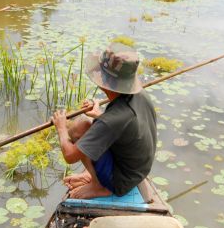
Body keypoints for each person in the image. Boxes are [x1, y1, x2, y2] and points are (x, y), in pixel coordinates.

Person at [52, 42, 157, 199]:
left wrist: (61, 128)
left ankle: (99, 186)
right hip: (138, 170)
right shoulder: (141, 95)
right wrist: (99, 114)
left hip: (122, 181)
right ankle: (92, 174)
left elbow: (70, 156)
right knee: (91, 130)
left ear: (105, 82)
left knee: (79, 126)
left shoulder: (112, 120)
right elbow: (126, 127)